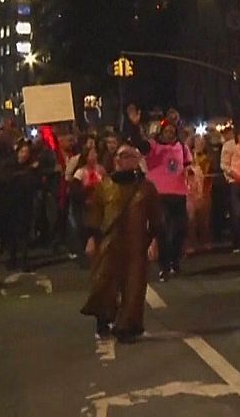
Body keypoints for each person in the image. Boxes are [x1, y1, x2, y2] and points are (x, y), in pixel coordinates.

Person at [81, 144, 162, 343]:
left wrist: (154, 241)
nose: (120, 159)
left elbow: (156, 217)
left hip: (136, 242)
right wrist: (91, 238)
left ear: (136, 160)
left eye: (126, 156)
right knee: (104, 283)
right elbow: (95, 214)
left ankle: (128, 326)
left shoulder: (146, 188)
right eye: (119, 156)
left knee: (134, 285)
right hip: (109, 242)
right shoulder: (105, 185)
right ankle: (103, 321)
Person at [128, 115, 189, 281]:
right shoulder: (153, 146)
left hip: (179, 194)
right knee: (163, 232)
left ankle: (174, 260)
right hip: (159, 195)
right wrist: (135, 126)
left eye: (172, 131)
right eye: (167, 131)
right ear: (161, 132)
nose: (170, 134)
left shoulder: (181, 147)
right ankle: (164, 266)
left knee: (180, 230)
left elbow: (187, 166)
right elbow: (139, 144)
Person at [0, 141, 41, 270]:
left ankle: (24, 259)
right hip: (10, 202)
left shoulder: (32, 167)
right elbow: (2, 179)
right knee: (12, 232)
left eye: (27, 152)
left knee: (24, 232)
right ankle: (12, 258)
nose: (24, 155)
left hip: (25, 202)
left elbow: (36, 182)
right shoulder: (9, 165)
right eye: (22, 152)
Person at [185, 135, 212, 253]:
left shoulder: (206, 159)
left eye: (202, 142)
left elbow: (207, 172)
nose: (200, 144)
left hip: (204, 191)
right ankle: (190, 244)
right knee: (190, 219)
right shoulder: (186, 157)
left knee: (203, 219)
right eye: (197, 142)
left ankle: (204, 241)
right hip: (190, 192)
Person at [214, 125, 237, 245]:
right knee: (224, 208)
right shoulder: (223, 146)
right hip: (223, 181)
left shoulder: (232, 146)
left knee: (233, 209)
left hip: (230, 181)